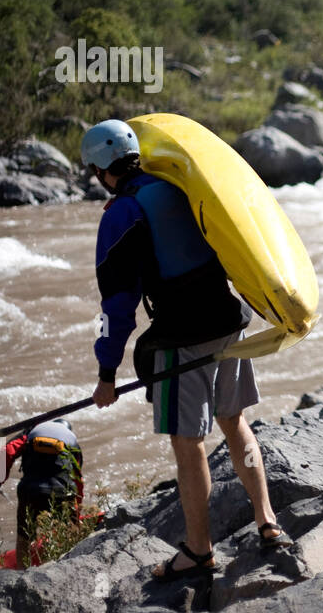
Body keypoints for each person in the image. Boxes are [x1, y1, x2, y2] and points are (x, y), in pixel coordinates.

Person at [80, 119, 290, 582]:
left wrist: (107, 374)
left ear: (98, 171)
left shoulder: (121, 212)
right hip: (229, 321)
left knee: (188, 444)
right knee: (235, 423)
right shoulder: (179, 184)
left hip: (182, 339)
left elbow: (118, 307)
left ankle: (198, 551)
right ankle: (268, 521)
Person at [0, 419, 83, 569]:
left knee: (24, 538)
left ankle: (22, 575)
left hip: (31, 491)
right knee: (71, 534)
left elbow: (7, 451)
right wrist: (77, 512)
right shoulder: (72, 441)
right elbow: (78, 479)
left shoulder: (32, 433)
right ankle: (71, 568)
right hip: (62, 492)